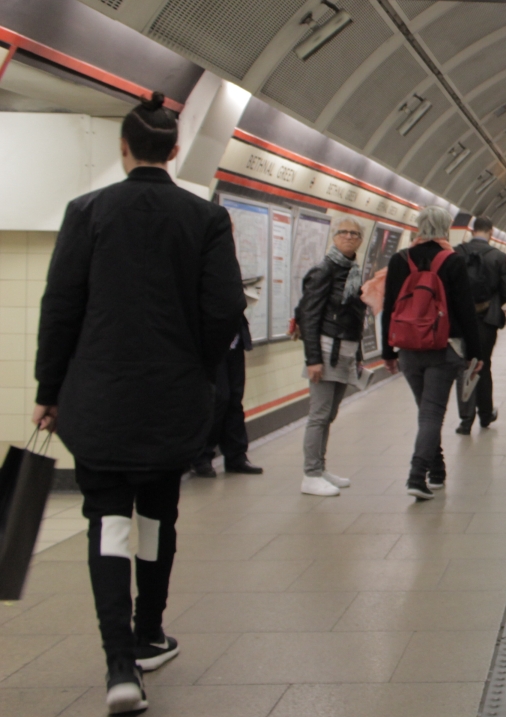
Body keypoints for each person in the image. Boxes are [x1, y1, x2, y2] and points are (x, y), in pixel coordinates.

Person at [33, 92, 246, 715]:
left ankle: (120, 666)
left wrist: (50, 390)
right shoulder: (204, 218)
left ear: (122, 148)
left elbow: (61, 307)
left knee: (108, 522)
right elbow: (224, 309)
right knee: (156, 515)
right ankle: (150, 631)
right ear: (176, 151)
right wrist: (198, 370)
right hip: (172, 398)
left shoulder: (86, 212)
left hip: (97, 398)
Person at [380, 206, 488, 499]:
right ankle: (417, 476)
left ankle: (437, 471)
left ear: (418, 226)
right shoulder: (452, 261)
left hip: (408, 350)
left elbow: (389, 306)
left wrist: (387, 351)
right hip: (444, 348)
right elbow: (465, 311)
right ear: (445, 229)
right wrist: (475, 355)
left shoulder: (399, 259)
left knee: (426, 413)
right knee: (431, 415)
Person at [296, 218, 369, 497]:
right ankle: (310, 474)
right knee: (319, 414)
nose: (350, 237)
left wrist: (358, 355)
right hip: (326, 351)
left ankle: (320, 468)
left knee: (329, 414)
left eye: (355, 233)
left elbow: (354, 317)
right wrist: (312, 358)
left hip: (345, 351)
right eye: (344, 232)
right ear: (334, 237)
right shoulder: (324, 270)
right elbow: (309, 316)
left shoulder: (352, 271)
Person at [454, 217, 506, 434]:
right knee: (483, 365)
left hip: (460, 321)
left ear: (472, 230)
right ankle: (485, 415)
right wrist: (493, 303)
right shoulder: (498, 256)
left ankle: (465, 420)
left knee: (464, 367)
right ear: (491, 231)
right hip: (487, 320)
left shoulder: (457, 253)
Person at [191, 316, 262, 478]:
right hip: (211, 341)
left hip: (235, 339)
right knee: (218, 399)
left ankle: (236, 456)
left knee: (235, 399)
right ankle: (202, 456)